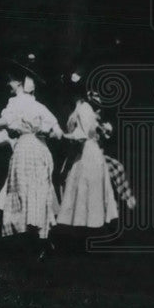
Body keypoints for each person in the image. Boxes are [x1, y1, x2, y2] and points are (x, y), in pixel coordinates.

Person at [0, 55, 64, 259]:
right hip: (41, 150)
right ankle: (40, 238)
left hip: (26, 150)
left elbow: (4, 121)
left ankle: (32, 239)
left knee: (23, 191)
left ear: (19, 82)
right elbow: (57, 130)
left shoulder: (16, 103)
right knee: (39, 191)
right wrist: (46, 132)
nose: (8, 84)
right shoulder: (38, 105)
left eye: (10, 80)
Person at [55, 81, 119, 232]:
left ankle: (89, 230)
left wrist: (62, 135)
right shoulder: (83, 108)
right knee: (83, 190)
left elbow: (82, 135)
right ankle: (87, 230)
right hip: (87, 151)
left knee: (86, 189)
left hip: (88, 153)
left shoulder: (83, 109)